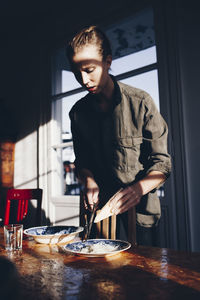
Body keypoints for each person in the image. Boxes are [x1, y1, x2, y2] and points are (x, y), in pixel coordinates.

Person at [67, 25, 171, 246]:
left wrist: (137, 190)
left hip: (142, 213)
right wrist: (88, 179)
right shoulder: (77, 113)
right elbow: (82, 161)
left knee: (143, 275)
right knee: (98, 276)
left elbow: (162, 165)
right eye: (77, 74)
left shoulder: (141, 102)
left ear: (108, 61)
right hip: (98, 213)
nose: (83, 80)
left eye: (89, 70)